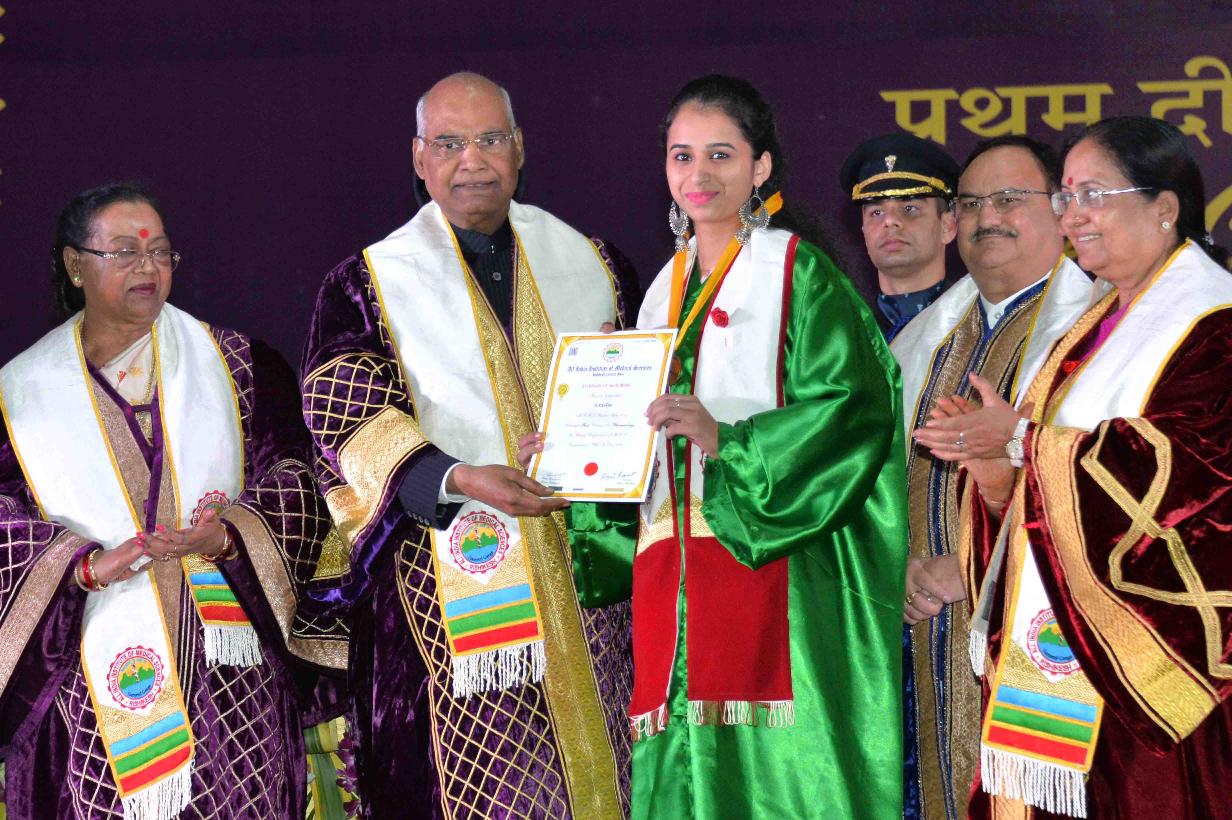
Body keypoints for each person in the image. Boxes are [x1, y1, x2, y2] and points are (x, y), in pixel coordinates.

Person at [555, 74, 908, 819]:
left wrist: (729, 441)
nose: (699, 174)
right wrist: (571, 444)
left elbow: (855, 408)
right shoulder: (662, 288)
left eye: (721, 154)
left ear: (761, 166)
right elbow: (645, 437)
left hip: (770, 559)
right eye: (682, 156)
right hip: (672, 577)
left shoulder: (798, 271)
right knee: (682, 772)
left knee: (775, 779)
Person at [298, 72, 640, 818]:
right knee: (495, 786)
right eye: (449, 143)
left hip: (591, 577)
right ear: (418, 157)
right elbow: (343, 410)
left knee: (611, 765)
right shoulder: (366, 283)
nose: (472, 160)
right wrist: (455, 477)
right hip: (447, 589)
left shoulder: (594, 262)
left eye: (489, 139)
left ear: (520, 148)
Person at [915, 116, 1232, 819]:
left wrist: (1023, 441)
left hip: (1148, 663)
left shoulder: (1213, 322)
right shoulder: (1095, 324)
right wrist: (994, 467)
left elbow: (1189, 477)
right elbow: (1041, 486)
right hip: (1062, 642)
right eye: (1066, 197)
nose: (1073, 217)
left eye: (1093, 195)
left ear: (1165, 207)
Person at [0, 182, 345, 819]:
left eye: (160, 252)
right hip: (91, 677)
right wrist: (79, 566)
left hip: (230, 669)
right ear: (75, 265)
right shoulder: (18, 397)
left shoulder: (239, 367)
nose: (148, 267)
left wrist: (233, 534)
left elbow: (299, 478)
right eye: (125, 252)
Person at [893, 136, 1091, 820]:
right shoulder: (921, 341)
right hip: (919, 626)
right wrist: (899, 567)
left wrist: (973, 568)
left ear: (1061, 210)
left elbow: (1095, 490)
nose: (987, 218)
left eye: (1009, 200)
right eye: (972, 203)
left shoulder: (1096, 334)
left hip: (1039, 627)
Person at [839, 132, 961, 341]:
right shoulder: (842, 332)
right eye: (877, 212)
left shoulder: (976, 321)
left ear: (947, 227)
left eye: (909, 208)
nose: (889, 221)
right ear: (864, 232)